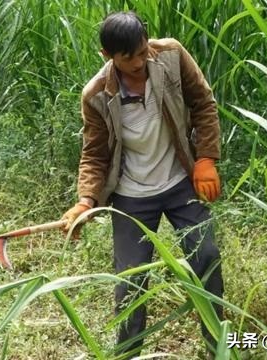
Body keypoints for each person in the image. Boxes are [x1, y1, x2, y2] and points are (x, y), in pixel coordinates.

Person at [61, 11, 224, 358]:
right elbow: (94, 154)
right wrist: (85, 201)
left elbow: (204, 103)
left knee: (206, 258)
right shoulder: (96, 95)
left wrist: (206, 158)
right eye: (128, 57)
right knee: (130, 283)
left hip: (180, 181)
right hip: (132, 195)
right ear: (108, 57)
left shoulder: (170, 55)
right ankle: (128, 353)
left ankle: (217, 348)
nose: (139, 61)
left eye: (141, 50)